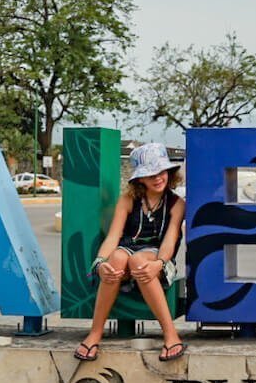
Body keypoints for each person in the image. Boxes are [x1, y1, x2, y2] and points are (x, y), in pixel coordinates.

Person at [75, 142, 187, 362]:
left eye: (161, 171)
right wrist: (100, 264)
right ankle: (95, 333)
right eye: (150, 174)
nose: (157, 178)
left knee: (138, 261)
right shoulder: (128, 200)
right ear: (140, 179)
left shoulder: (176, 204)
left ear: (169, 173)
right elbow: (113, 237)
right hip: (127, 249)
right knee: (116, 258)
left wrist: (160, 264)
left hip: (157, 256)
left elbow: (170, 241)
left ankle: (171, 334)